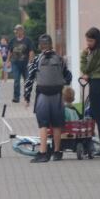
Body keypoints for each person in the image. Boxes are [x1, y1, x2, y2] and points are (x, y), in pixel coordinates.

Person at [24, 34, 72, 163]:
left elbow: (29, 80)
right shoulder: (60, 59)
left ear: (40, 46)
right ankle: (57, 152)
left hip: (43, 96)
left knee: (43, 125)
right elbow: (68, 76)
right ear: (51, 45)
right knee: (57, 125)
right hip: (57, 96)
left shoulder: (36, 60)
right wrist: (62, 84)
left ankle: (43, 153)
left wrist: (26, 97)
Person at [80, 27, 100, 158]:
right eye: (87, 40)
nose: (88, 43)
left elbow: (87, 68)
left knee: (97, 117)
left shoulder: (96, 53)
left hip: (96, 85)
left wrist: (83, 56)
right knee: (94, 115)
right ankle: (92, 146)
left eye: (90, 40)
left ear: (96, 40)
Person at [7, 24, 35, 103]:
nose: (17, 32)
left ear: (22, 31)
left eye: (19, 30)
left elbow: (31, 51)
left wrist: (30, 62)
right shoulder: (12, 40)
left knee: (27, 80)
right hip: (15, 63)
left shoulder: (27, 40)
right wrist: (8, 61)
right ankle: (16, 97)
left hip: (26, 64)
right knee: (16, 80)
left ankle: (26, 96)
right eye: (16, 30)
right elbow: (10, 51)